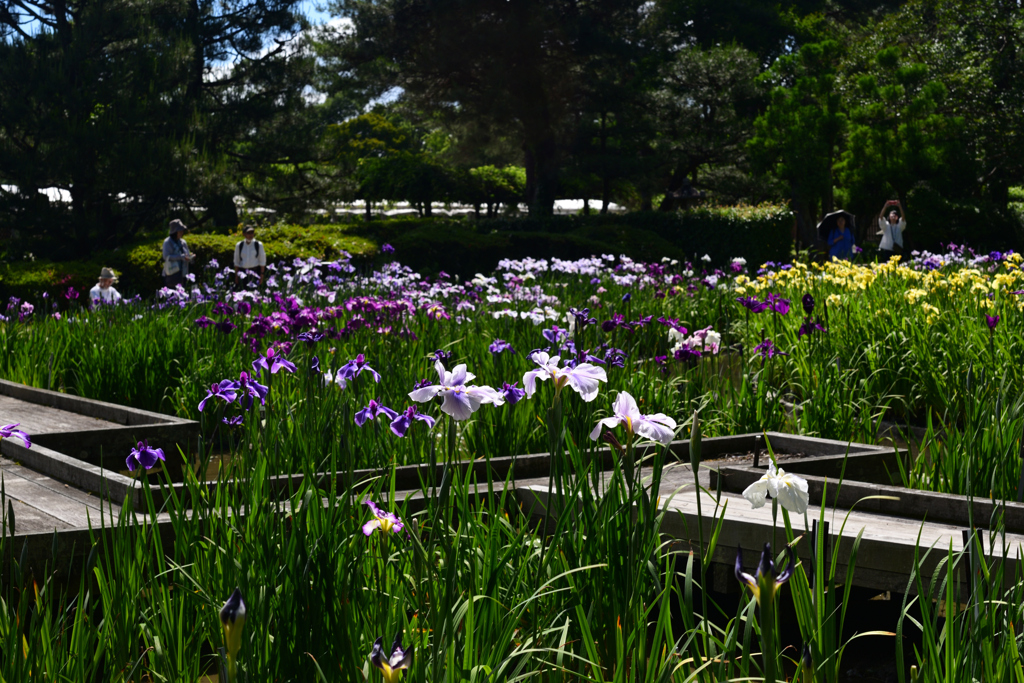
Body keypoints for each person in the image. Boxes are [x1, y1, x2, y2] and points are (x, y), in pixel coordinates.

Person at [162, 219, 193, 288]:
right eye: (180, 231)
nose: (182, 232)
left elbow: (186, 254)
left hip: (183, 274)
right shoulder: (167, 242)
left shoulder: (183, 242)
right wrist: (180, 257)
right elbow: (166, 257)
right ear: (175, 232)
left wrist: (190, 257)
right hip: (172, 274)